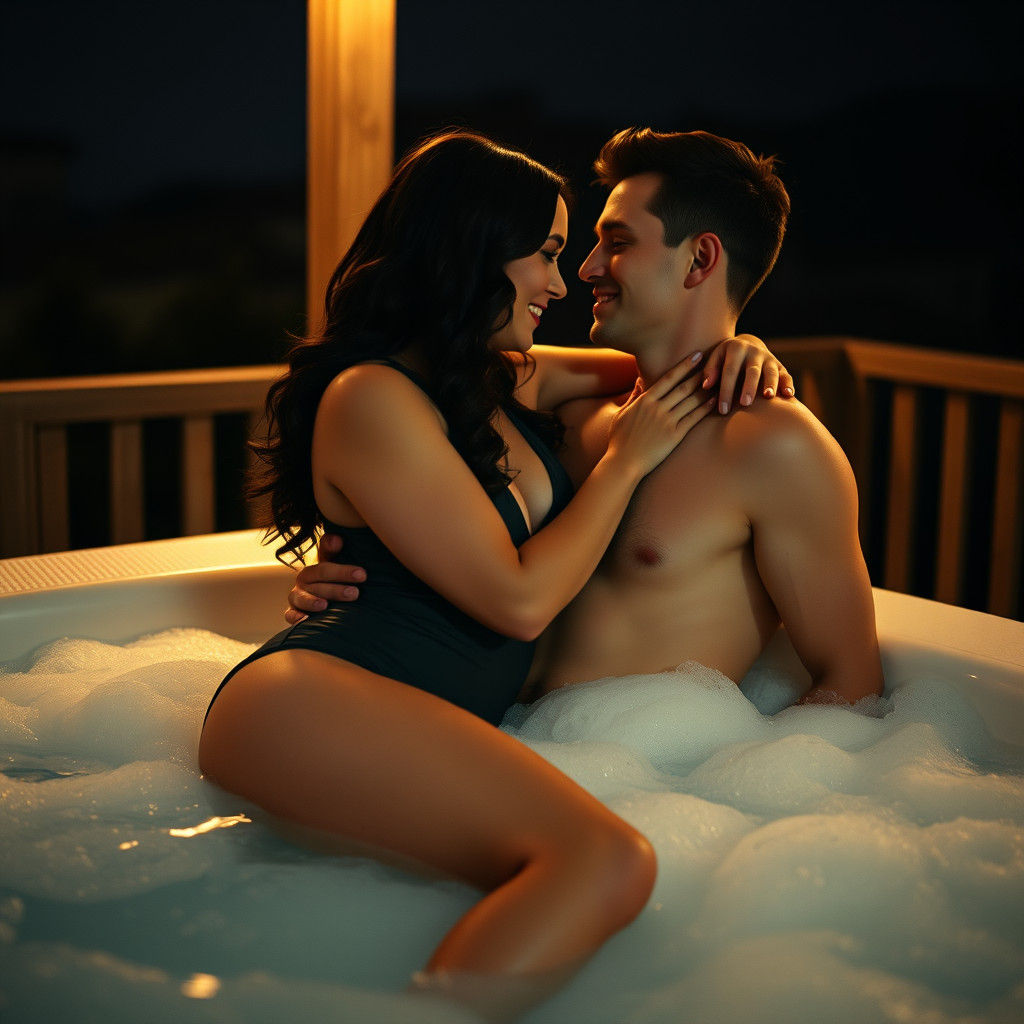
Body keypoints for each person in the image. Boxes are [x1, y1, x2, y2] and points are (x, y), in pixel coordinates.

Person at [198, 129, 788, 1022]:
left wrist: (749, 352)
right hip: (307, 700)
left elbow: (660, 358)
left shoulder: (502, 379)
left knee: (602, 861)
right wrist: (626, 462)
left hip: (397, 709)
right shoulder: (372, 396)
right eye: (547, 252)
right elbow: (518, 601)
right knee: (606, 861)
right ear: (473, 246)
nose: (563, 281)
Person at [292, 127, 883, 716]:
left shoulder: (777, 446)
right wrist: (354, 582)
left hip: (645, 775)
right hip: (484, 738)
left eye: (617, 243)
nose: (584, 269)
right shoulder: (560, 412)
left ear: (700, 259)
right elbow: (431, 509)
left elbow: (851, 682)